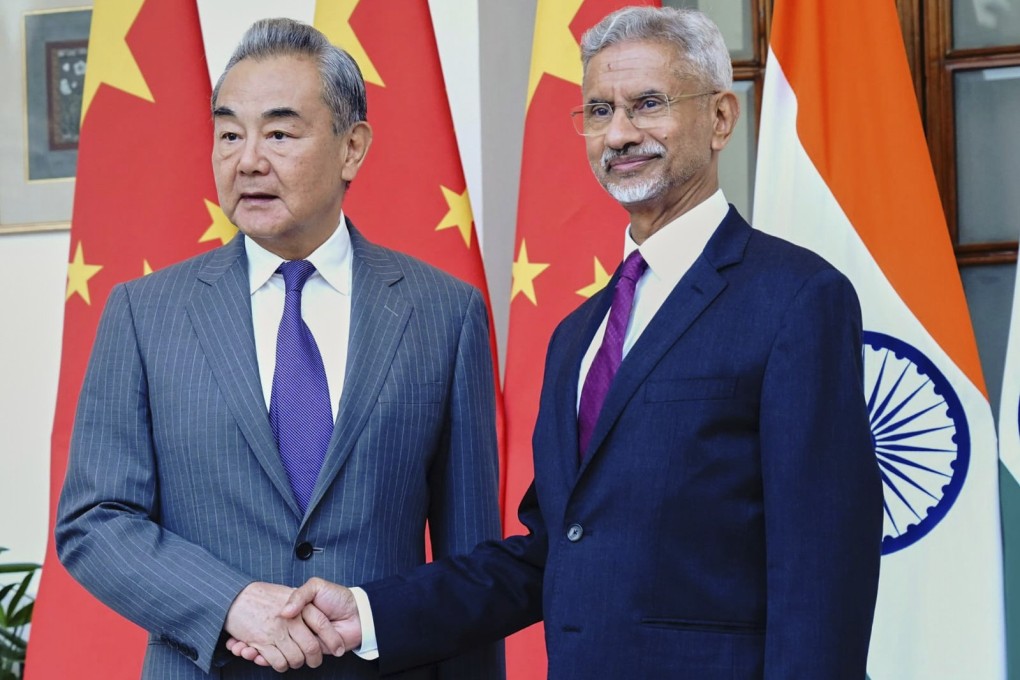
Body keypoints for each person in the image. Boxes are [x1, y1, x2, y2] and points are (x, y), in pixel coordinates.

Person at [232, 6, 884, 679]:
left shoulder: (798, 298)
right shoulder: (579, 336)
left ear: (721, 118)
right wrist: (368, 615)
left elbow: (823, 562)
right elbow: (551, 553)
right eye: (598, 111)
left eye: (648, 104)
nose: (620, 133)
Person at [54, 17, 503, 679]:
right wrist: (230, 601)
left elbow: (471, 575)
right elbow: (95, 519)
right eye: (230, 133)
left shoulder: (444, 314)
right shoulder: (144, 314)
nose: (248, 160)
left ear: (352, 148)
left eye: (280, 133)